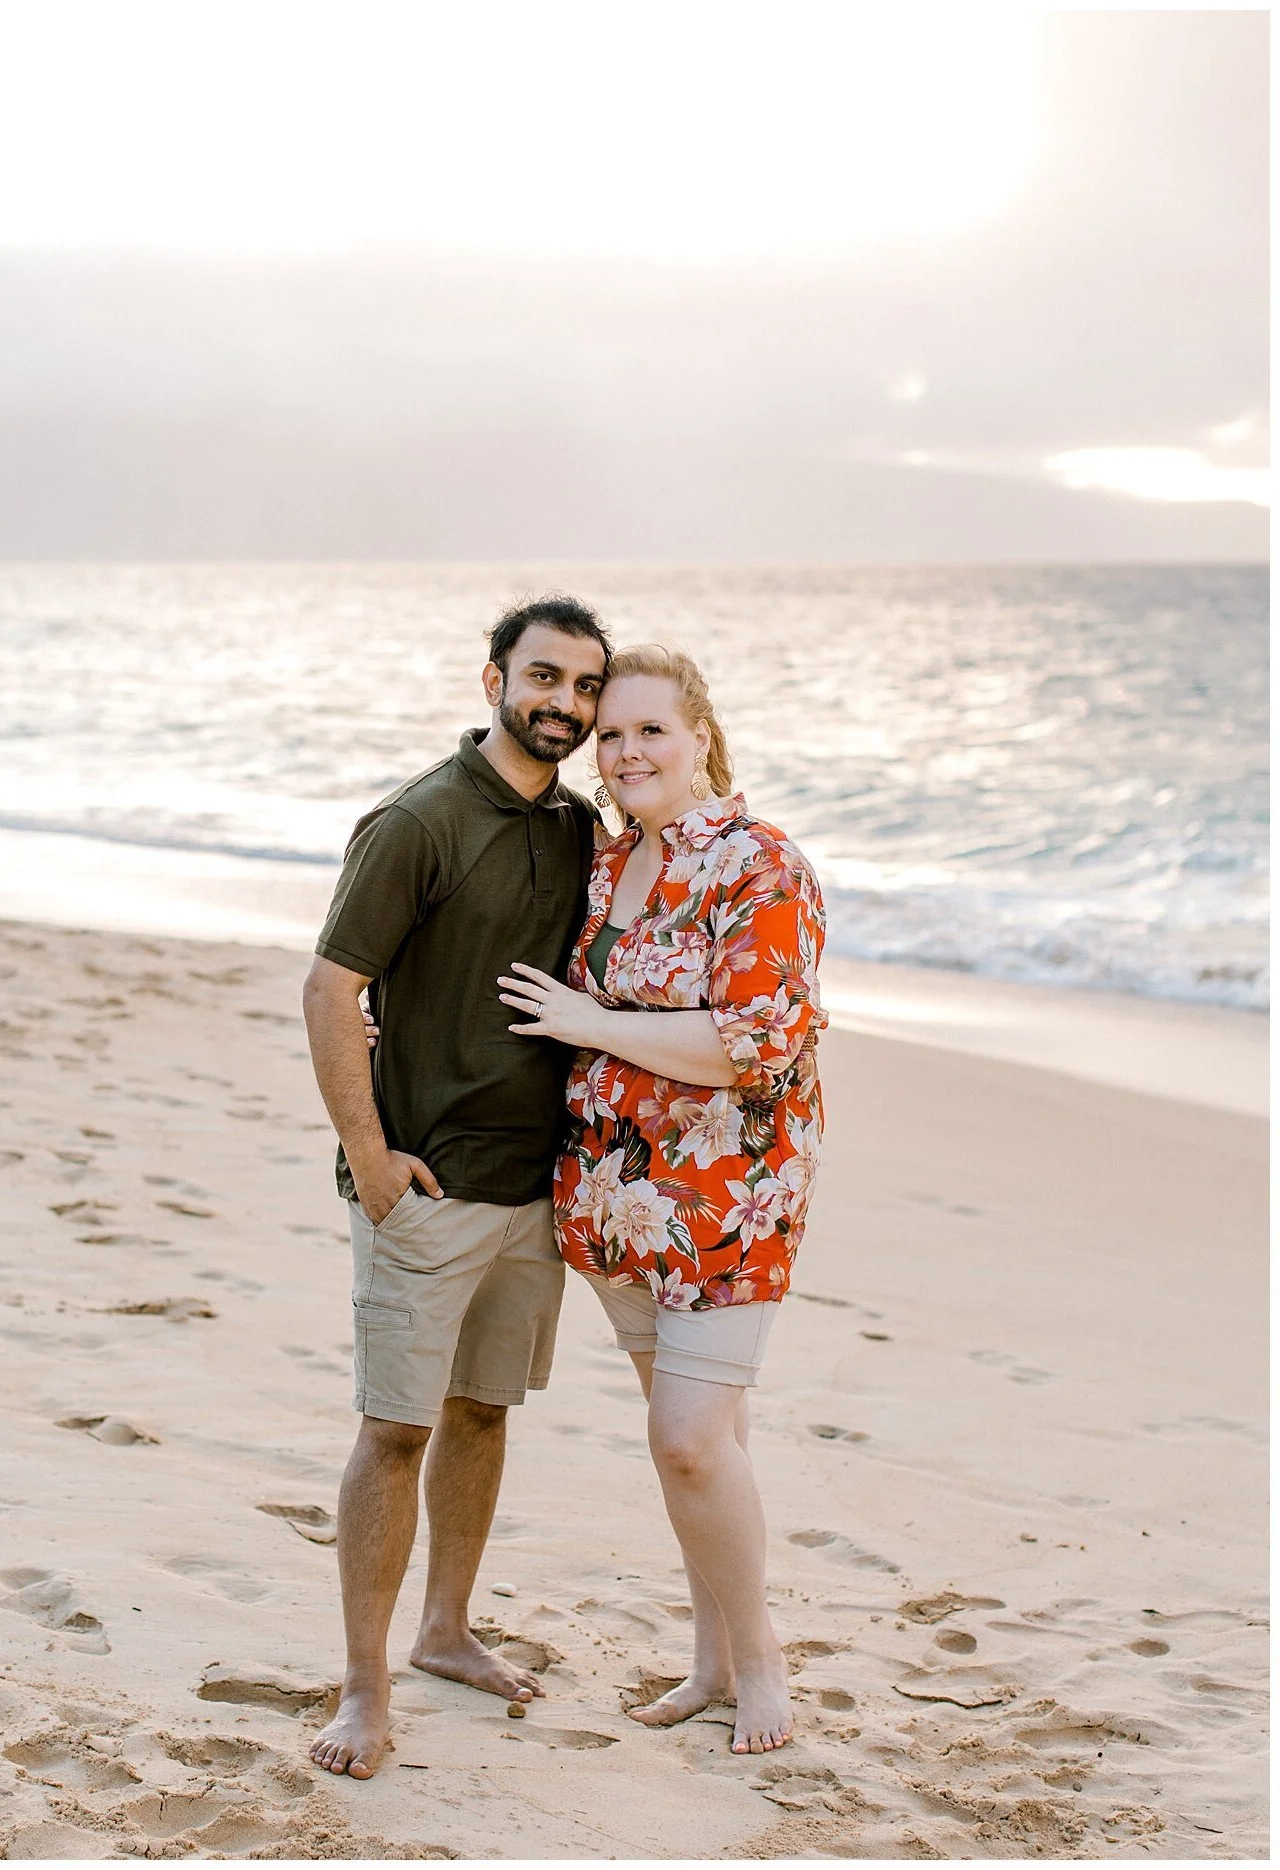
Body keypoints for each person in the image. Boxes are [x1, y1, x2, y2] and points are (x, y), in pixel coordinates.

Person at [301, 594, 612, 1779]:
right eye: (546, 679)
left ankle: (446, 1630)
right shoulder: (417, 821)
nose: (568, 707)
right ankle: (363, 1691)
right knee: (394, 1430)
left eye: (587, 688)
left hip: (533, 1188)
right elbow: (333, 989)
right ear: (493, 681)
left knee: (483, 1413)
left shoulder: (583, 830)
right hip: (424, 1188)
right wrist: (373, 1161)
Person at [497, 643, 826, 1757]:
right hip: (611, 1195)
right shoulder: (603, 863)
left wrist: (589, 1025)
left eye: (652, 730)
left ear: (700, 738)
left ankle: (763, 1658)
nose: (629, 750)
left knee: (688, 1440)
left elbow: (753, 1043)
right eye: (613, 734)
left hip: (732, 1195)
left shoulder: (759, 863)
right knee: (700, 1434)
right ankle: (711, 1659)